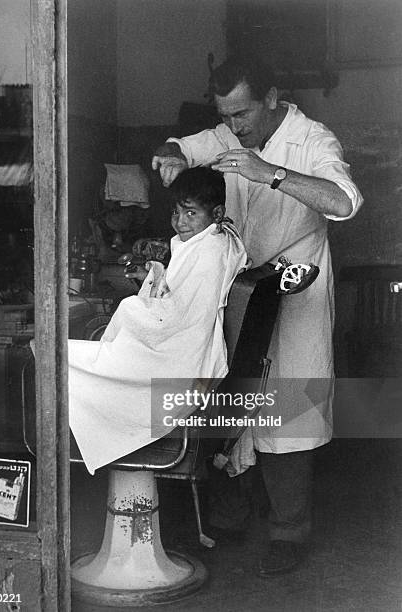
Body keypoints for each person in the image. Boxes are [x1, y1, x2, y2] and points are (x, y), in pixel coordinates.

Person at [152, 56, 363, 576]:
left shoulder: (314, 139)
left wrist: (272, 175)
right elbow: (177, 146)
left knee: (290, 412)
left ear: (270, 96)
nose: (234, 125)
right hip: (240, 288)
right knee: (231, 397)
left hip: (296, 285)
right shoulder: (227, 133)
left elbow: (344, 201)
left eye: (242, 113)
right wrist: (172, 156)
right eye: (226, 114)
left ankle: (289, 533)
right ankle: (229, 515)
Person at [67, 167, 247, 474]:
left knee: (60, 357)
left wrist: (134, 305)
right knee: (79, 357)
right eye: (177, 212)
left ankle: (89, 439)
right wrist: (155, 279)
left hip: (181, 362)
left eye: (191, 213)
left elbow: (178, 319)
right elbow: (186, 300)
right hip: (189, 353)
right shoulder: (214, 240)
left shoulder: (209, 253)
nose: (180, 222)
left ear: (216, 213)